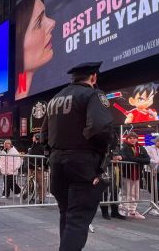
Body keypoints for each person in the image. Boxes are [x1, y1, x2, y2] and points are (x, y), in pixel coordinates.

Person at [40, 62, 114, 251]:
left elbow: (44, 135)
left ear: (72, 78)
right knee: (78, 220)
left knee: (66, 214)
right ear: (93, 77)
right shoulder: (93, 94)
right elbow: (100, 128)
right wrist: (100, 148)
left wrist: (51, 154)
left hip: (57, 163)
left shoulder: (56, 98)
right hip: (82, 162)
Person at [15, 0, 56, 100]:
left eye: (45, 16)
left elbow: (21, 93)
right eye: (38, 23)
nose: (52, 23)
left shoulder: (22, 83)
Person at [115, 132, 150, 219]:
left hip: (137, 173)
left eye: (134, 138)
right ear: (127, 139)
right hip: (127, 173)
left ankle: (132, 211)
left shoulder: (140, 147)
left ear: (137, 139)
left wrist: (136, 160)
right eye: (130, 138)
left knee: (135, 193)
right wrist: (140, 160)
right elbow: (128, 157)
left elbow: (147, 160)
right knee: (125, 193)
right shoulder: (124, 147)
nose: (133, 139)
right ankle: (123, 210)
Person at [27, 133, 47, 203]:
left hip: (39, 167)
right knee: (31, 182)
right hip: (31, 166)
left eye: (33, 137)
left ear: (36, 138)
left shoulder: (42, 146)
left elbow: (45, 157)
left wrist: (41, 165)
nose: (32, 138)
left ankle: (41, 199)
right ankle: (31, 196)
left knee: (40, 184)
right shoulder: (33, 145)